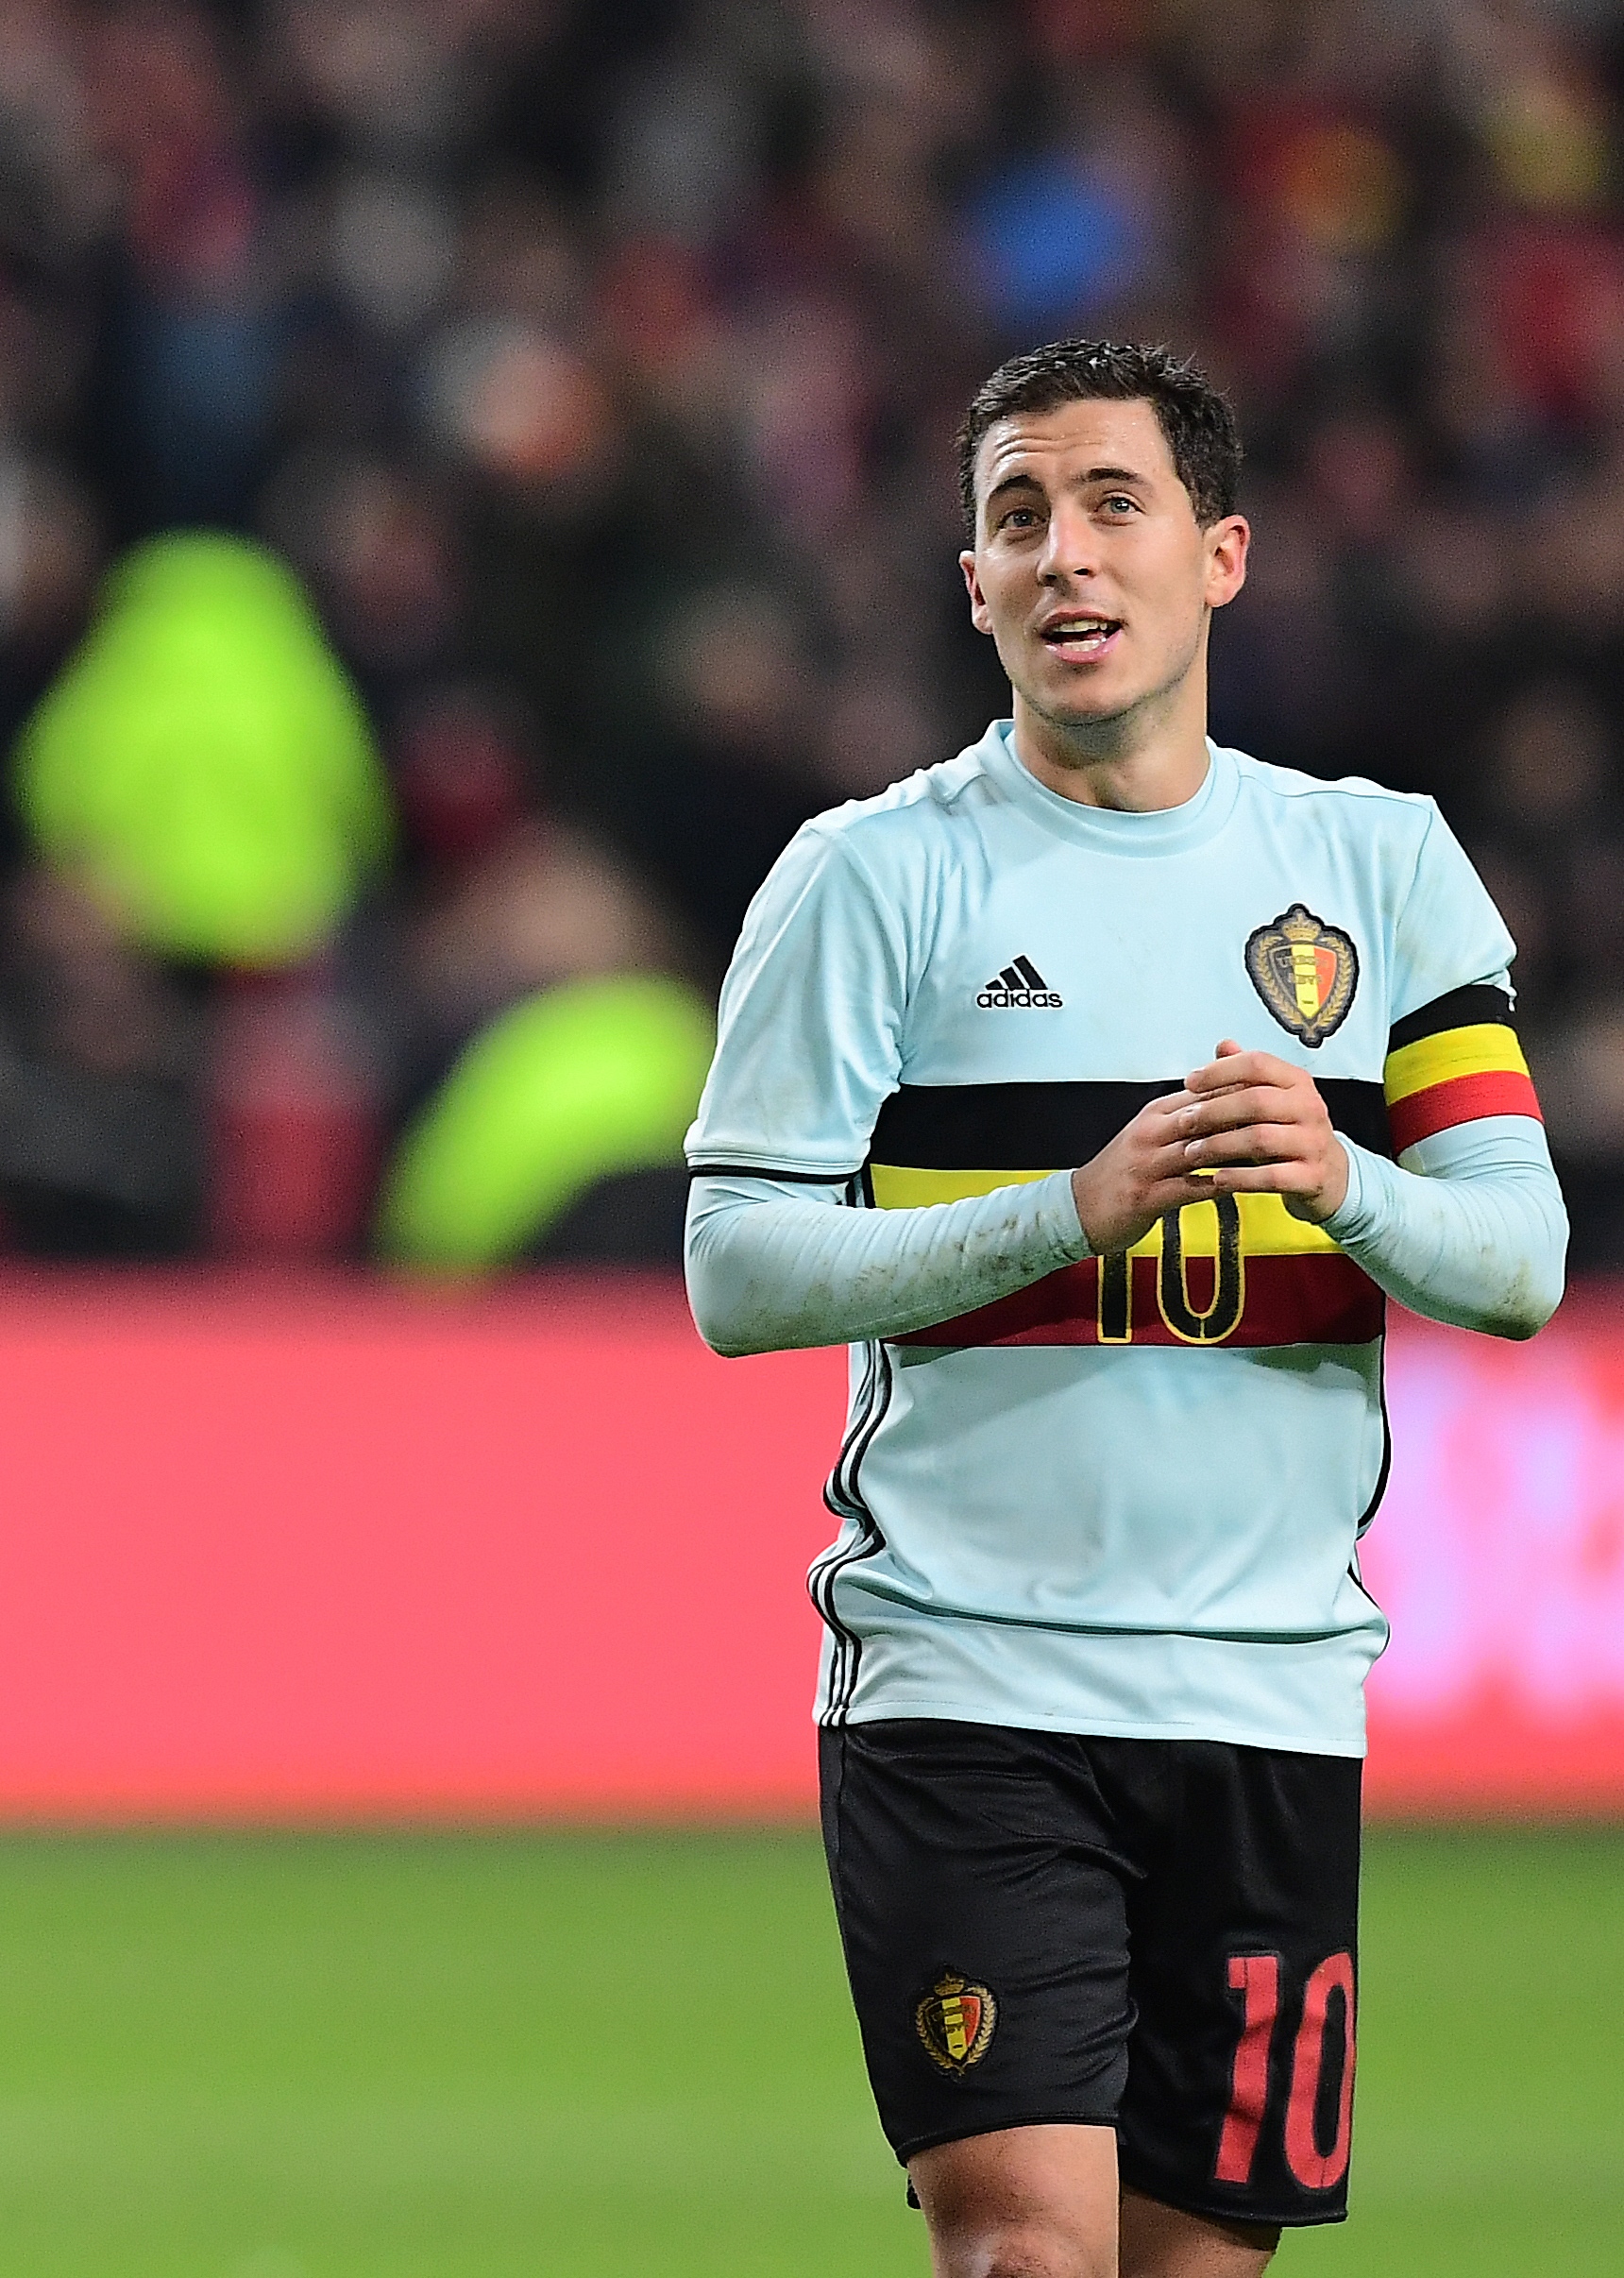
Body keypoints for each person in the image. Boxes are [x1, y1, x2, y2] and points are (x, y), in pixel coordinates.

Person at [682, 339, 1565, 2278]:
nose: (1064, 555)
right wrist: (1064, 1214)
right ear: (973, 585)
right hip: (968, 1682)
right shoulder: (869, 881)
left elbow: (1520, 1262)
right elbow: (738, 1272)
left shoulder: (1378, 867)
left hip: (1267, 1694)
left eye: (1110, 506)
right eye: (1018, 519)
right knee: (1027, 2254)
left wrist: (1347, 1182)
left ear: (1221, 555)